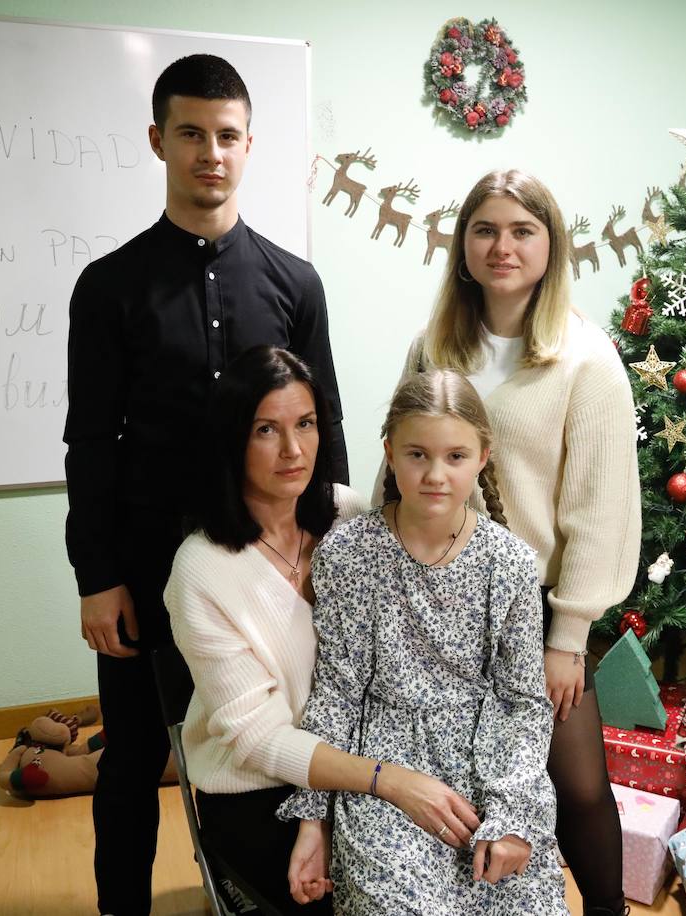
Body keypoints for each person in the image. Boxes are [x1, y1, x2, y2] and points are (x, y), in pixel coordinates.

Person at [63, 54, 347, 915]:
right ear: (159, 140)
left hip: (270, 569)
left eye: (227, 136)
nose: (210, 153)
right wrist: (97, 577)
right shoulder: (109, 287)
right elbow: (89, 443)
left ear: (249, 145)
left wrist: (335, 566)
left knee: (270, 738)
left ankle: (251, 881)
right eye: (191, 134)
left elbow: (323, 430)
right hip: (150, 567)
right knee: (135, 756)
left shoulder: (294, 283)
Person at [379, 169, 641, 915]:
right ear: (463, 247)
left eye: (523, 231)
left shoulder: (586, 361)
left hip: (534, 610)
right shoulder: (433, 347)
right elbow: (399, 462)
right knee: (461, 772)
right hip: (434, 594)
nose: (503, 247)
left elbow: (598, 508)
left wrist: (570, 633)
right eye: (486, 230)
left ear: (550, 248)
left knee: (578, 781)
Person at [165, 347, 480, 913]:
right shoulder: (201, 569)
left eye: (305, 424)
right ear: (232, 439)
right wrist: (388, 784)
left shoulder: (350, 515)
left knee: (470, 877)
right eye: (267, 430)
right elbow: (260, 742)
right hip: (262, 789)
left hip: (376, 760)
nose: (294, 449)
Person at [279, 370, 567, 915]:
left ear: (483, 456)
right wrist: (312, 823)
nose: (436, 475)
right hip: (383, 774)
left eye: (455, 456)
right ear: (389, 453)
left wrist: (514, 817)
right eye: (417, 455)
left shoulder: (509, 563)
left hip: (490, 768)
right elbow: (337, 694)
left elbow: (522, 703)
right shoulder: (349, 554)